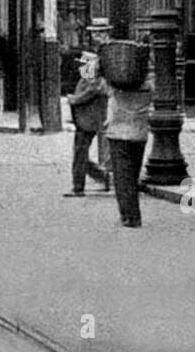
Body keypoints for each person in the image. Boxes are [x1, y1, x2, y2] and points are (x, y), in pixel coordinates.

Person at [106, 73, 152, 228]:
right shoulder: (147, 87)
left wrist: (92, 62)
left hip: (118, 133)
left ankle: (129, 216)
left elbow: (89, 76)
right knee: (133, 175)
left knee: (121, 177)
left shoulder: (116, 86)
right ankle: (133, 214)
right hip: (139, 133)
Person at [64, 51, 111, 197]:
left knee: (80, 151)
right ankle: (101, 176)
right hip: (90, 115)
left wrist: (75, 99)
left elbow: (93, 88)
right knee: (80, 151)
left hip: (88, 115)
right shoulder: (93, 60)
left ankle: (78, 187)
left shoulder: (92, 61)